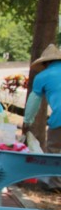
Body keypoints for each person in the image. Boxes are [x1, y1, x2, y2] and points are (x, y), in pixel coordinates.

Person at [23, 44, 61, 190]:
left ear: (45, 63)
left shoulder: (42, 76)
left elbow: (33, 102)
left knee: (55, 151)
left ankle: (56, 186)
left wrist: (28, 120)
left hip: (59, 120)